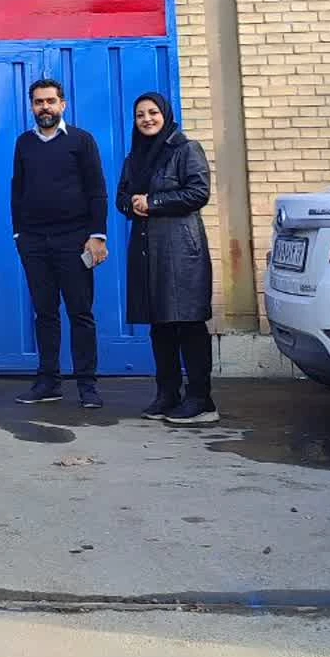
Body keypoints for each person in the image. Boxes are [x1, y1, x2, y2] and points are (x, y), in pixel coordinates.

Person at [116, 92, 219, 426]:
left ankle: (201, 400)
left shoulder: (186, 149)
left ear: (165, 115)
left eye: (152, 113)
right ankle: (167, 394)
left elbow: (198, 192)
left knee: (188, 323)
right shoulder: (134, 158)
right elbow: (121, 197)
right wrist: (131, 203)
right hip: (147, 249)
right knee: (159, 324)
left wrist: (154, 202)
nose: (147, 119)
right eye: (140, 115)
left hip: (181, 251)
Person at [11, 78, 109, 409]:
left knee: (80, 313)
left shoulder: (81, 140)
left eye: (50, 101)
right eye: (38, 102)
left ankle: (87, 386)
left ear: (62, 105)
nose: (45, 107)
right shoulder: (24, 143)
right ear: (32, 106)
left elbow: (97, 190)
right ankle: (48, 382)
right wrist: (19, 235)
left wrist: (97, 235)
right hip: (34, 242)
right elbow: (17, 189)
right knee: (45, 314)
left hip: (74, 241)